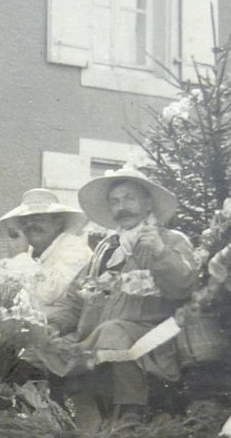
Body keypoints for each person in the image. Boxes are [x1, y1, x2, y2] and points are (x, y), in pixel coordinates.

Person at [24, 167, 199, 424]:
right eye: (115, 201)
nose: (122, 207)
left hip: (149, 335)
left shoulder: (170, 239)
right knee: (35, 342)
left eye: (129, 198)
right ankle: (49, 417)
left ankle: (131, 413)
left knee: (113, 332)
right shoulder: (106, 248)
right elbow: (76, 296)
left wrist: (160, 252)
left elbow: (184, 285)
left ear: (147, 202)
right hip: (96, 337)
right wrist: (52, 324)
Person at [0, 188, 90, 315]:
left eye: (38, 218)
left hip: (65, 328)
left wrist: (20, 257)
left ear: (58, 223)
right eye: (24, 221)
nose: (30, 224)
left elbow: (49, 294)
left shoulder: (75, 248)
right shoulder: (30, 252)